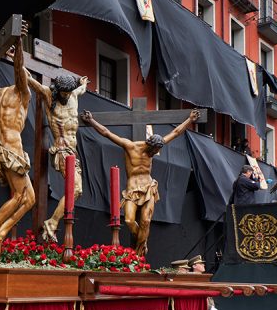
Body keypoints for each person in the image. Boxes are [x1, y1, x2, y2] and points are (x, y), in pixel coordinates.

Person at [81, 108, 200, 256]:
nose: (155, 154)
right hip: (132, 189)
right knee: (130, 220)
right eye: (154, 150)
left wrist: (190, 120)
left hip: (149, 187)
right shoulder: (130, 146)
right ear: (149, 145)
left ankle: (138, 254)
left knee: (146, 221)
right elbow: (106, 133)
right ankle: (142, 242)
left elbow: (175, 133)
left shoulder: (156, 146)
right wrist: (91, 121)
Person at [0, 33, 37, 254]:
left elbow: (18, 70)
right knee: (21, 197)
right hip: (12, 149)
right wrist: (18, 42)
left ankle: (1, 231)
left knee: (30, 199)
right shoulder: (21, 94)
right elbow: (19, 68)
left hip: (1, 147)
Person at [29, 74, 88, 243]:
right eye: (64, 93)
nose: (67, 95)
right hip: (61, 150)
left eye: (69, 92)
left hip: (73, 152)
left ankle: (52, 222)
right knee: (76, 189)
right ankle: (52, 222)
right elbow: (31, 81)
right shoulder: (48, 95)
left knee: (78, 190)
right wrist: (16, 58)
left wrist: (83, 83)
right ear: (58, 90)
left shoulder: (74, 95)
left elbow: (81, 88)